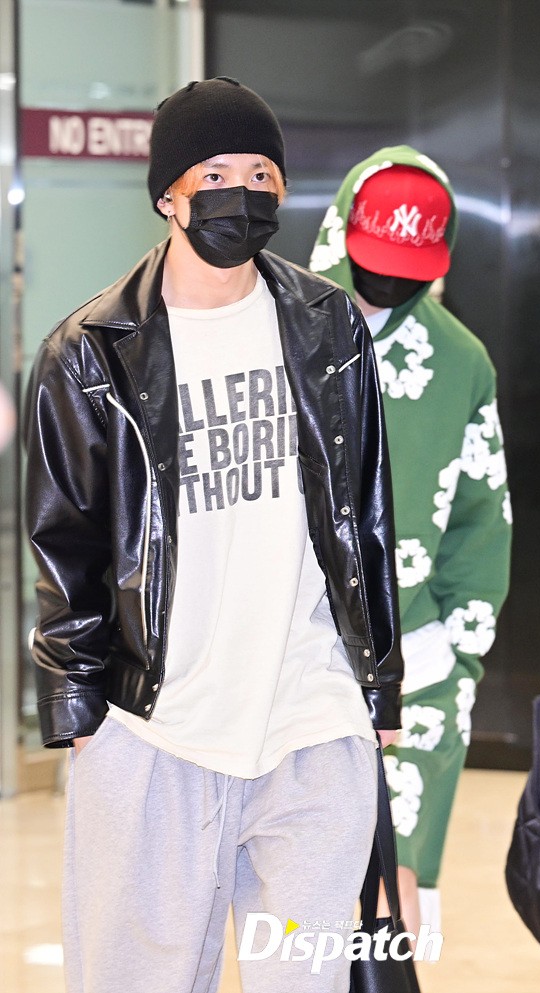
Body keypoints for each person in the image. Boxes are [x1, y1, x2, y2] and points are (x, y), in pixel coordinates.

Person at [23, 77, 403, 993]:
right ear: (169, 193)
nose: (244, 193)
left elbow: (365, 512)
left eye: (262, 173)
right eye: (218, 172)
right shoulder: (89, 352)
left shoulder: (330, 327)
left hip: (311, 728)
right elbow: (63, 545)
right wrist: (81, 720)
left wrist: (377, 689)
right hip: (155, 732)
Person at [310, 145, 512, 939]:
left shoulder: (460, 361)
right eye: (375, 260)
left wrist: (458, 656)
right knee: (296, 908)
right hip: (288, 665)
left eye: (410, 266)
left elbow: (481, 520)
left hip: (418, 663)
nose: (388, 282)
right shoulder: (279, 332)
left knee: (393, 914)